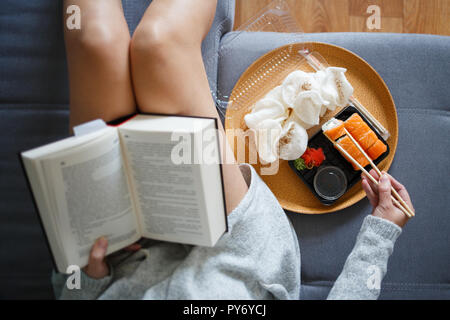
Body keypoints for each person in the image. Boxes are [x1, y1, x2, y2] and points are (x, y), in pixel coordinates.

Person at [52, 0, 414, 300]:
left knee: (94, 41)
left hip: (123, 267)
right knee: (160, 44)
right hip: (238, 255)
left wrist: (88, 278)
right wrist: (380, 232)